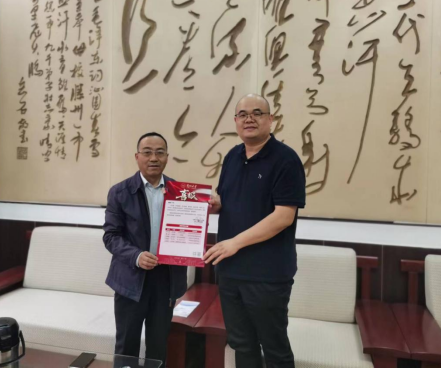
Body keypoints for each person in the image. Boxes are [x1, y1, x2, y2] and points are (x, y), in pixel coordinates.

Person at [204, 94, 306, 368]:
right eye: (243, 114)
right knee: (242, 345)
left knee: (274, 348)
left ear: (270, 120)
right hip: (230, 270)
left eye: (257, 113)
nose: (249, 119)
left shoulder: (286, 159)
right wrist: (215, 205)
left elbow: (283, 217)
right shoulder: (232, 157)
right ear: (235, 121)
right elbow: (230, 201)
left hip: (267, 275)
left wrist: (235, 242)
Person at [103, 132, 187, 365]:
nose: (153, 158)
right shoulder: (120, 192)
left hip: (166, 278)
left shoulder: (181, 193)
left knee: (158, 346)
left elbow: (188, 231)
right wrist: (136, 256)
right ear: (137, 157)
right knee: (127, 347)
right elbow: (111, 236)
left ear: (167, 157)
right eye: (147, 152)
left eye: (160, 152)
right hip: (131, 278)